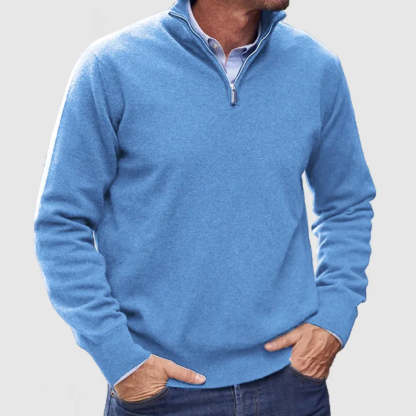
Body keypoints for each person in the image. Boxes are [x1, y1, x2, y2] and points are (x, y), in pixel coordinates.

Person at [34, 0, 376, 414]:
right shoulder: (111, 67)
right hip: (162, 392)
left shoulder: (316, 69)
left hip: (291, 387)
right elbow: (61, 223)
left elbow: (347, 204)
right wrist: (119, 358)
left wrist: (334, 317)